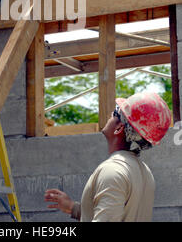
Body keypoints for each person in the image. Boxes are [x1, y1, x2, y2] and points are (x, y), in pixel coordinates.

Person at [44, 91, 171, 222]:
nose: (110, 115)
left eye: (115, 113)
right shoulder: (144, 172)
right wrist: (73, 208)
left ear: (119, 127)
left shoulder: (113, 171)